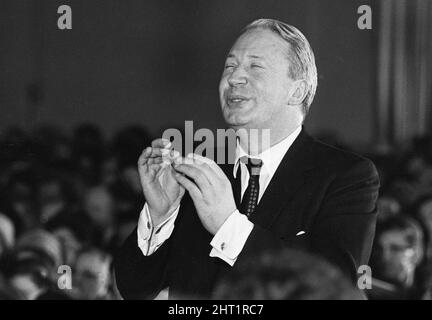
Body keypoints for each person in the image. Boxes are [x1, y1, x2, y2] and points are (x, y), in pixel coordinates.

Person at [114, 18, 380, 299]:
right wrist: (161, 215)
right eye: (229, 66)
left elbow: (332, 288)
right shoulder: (199, 170)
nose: (234, 78)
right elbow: (135, 289)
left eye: (255, 66)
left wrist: (229, 226)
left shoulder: (345, 176)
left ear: (297, 91)